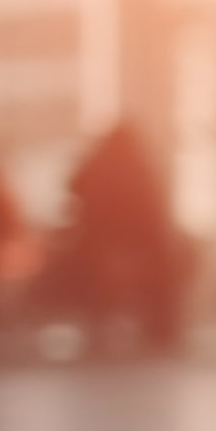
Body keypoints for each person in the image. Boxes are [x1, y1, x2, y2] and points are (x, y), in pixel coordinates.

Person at [62, 121, 183, 350]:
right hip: (127, 250)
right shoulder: (141, 172)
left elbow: (73, 189)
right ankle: (158, 330)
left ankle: (100, 323)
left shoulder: (98, 166)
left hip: (100, 249)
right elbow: (152, 220)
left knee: (92, 273)